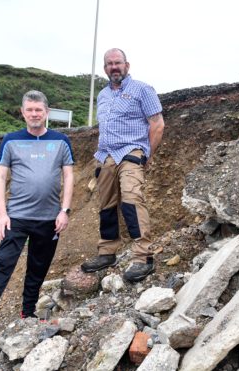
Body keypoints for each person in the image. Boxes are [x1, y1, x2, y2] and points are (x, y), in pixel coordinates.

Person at [0, 90, 74, 345]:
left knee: (38, 267)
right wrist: (2, 215)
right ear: (23, 112)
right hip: (17, 217)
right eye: (29, 110)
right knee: (3, 266)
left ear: (47, 112)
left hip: (49, 219)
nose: (34, 114)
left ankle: (28, 312)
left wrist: (64, 211)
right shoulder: (11, 141)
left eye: (38, 110)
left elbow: (68, 176)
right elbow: (0, 177)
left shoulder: (61, 141)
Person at [80, 48, 165, 283]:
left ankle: (143, 257)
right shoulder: (103, 95)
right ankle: (107, 251)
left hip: (131, 152)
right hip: (106, 156)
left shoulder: (143, 90)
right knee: (106, 204)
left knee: (131, 200)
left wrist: (146, 155)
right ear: (105, 68)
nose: (114, 67)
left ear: (127, 65)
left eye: (118, 63)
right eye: (109, 64)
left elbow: (157, 124)